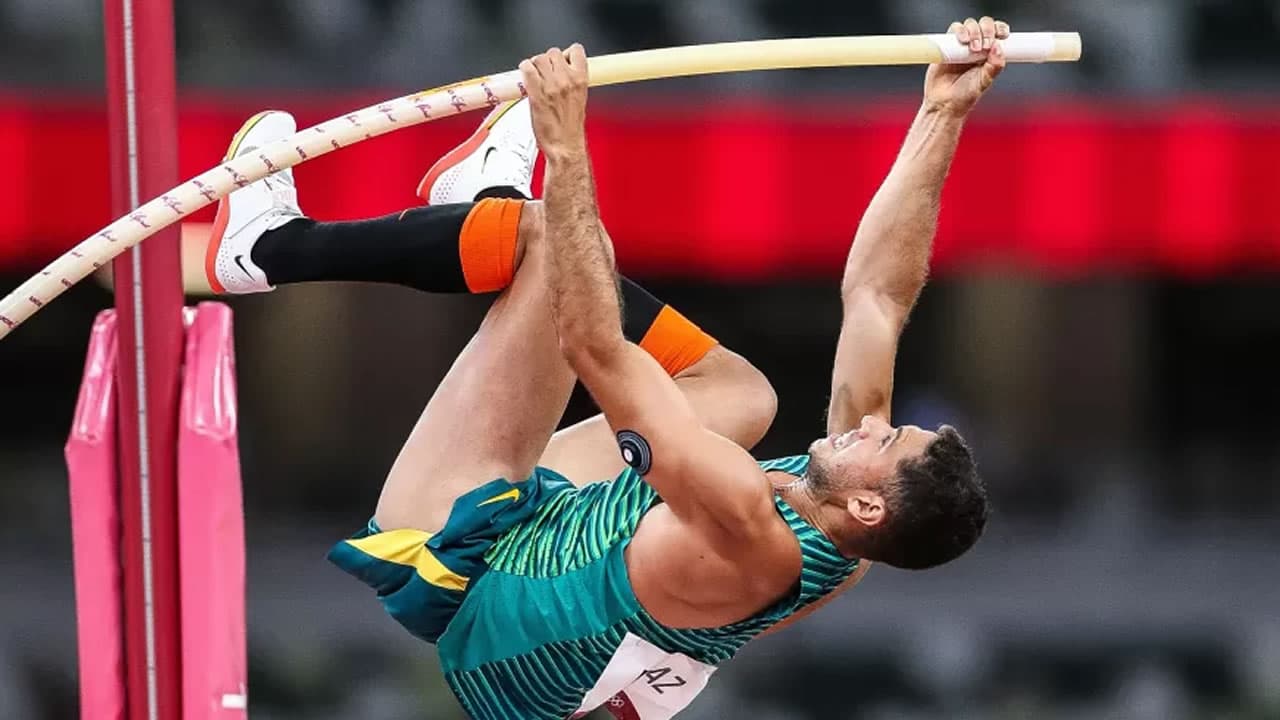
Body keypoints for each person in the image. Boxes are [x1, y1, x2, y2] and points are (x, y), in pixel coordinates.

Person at [204, 16, 1008, 720]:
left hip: (461, 562)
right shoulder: (849, 530)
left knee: (554, 246)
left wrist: (565, 146)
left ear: (869, 505)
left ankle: (265, 248)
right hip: (561, 551)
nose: (871, 420)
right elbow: (877, 296)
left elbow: (595, 350)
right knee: (741, 394)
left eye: (886, 436)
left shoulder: (748, 530)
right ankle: (477, 204)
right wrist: (943, 110)